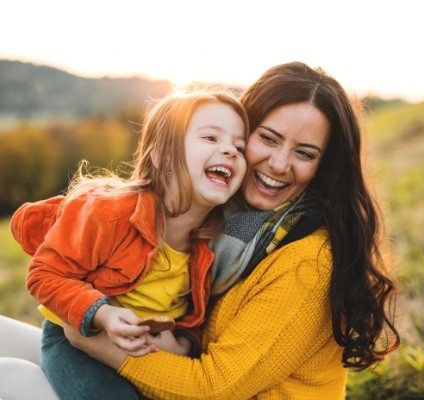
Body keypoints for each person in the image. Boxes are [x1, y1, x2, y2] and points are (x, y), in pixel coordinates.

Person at [0, 61, 400, 400]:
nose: (279, 164)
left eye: (304, 153)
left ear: (324, 166)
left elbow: (215, 386)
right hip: (129, 347)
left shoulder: (305, 259)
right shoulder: (223, 223)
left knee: (12, 377)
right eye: (267, 138)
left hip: (188, 384)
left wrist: (92, 335)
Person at [4, 89, 249, 400]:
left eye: (239, 147)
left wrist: (182, 343)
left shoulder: (211, 242)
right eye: (211, 138)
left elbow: (193, 317)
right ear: (161, 155)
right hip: (77, 340)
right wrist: (103, 315)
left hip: (142, 356)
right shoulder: (109, 212)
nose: (229, 150)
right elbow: (44, 275)